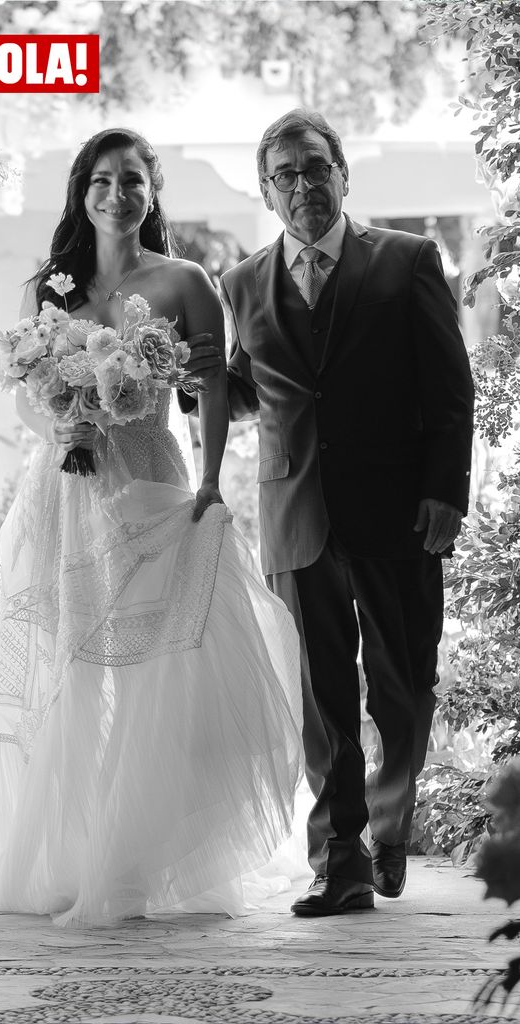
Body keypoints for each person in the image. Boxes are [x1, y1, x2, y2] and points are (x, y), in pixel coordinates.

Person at [0, 128, 303, 925]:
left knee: (157, 666)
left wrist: (216, 484)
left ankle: (140, 859)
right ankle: (67, 855)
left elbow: (214, 392)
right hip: (65, 487)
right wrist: (60, 425)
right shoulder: (48, 288)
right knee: (67, 667)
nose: (116, 193)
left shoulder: (188, 280)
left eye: (131, 180)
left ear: (153, 190)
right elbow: (19, 387)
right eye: (100, 180)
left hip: (154, 482)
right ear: (80, 191)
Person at [181, 108, 475, 916]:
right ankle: (338, 859)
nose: (303, 185)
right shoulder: (242, 283)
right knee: (320, 698)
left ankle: (387, 827)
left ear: (344, 174)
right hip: (296, 511)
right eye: (286, 175)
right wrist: (188, 377)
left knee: (403, 687)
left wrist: (446, 492)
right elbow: (249, 389)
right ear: (268, 191)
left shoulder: (408, 260)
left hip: (398, 513)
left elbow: (451, 390)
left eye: (316, 168)